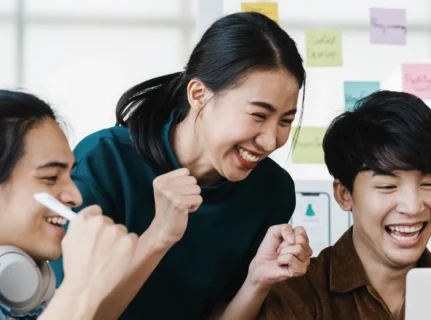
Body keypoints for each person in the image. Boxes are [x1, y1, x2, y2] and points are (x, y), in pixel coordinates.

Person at [48, 12, 312, 319]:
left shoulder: (272, 190)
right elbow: (73, 312)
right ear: (198, 94)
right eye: (258, 115)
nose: (270, 141)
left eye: (286, 121)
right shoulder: (104, 161)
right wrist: (159, 235)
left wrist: (257, 281)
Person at [256, 91, 431, 320]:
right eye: (387, 187)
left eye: (429, 184)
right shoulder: (299, 295)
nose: (413, 206)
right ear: (344, 194)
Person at [0, 90, 138, 319]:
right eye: (51, 177)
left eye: (70, 177)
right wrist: (82, 286)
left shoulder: (26, 299)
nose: (76, 197)